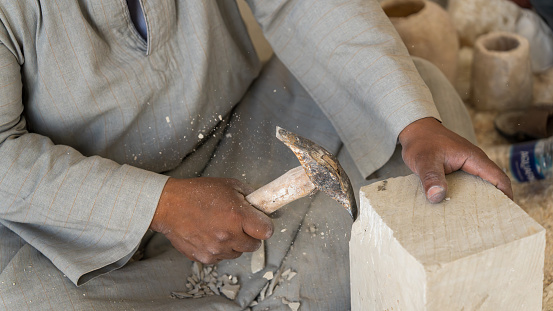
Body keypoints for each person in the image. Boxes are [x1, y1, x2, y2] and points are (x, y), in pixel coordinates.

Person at [0, 0, 511, 309]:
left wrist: (413, 123)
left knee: (424, 99)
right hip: (89, 224)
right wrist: (160, 205)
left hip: (242, 137)